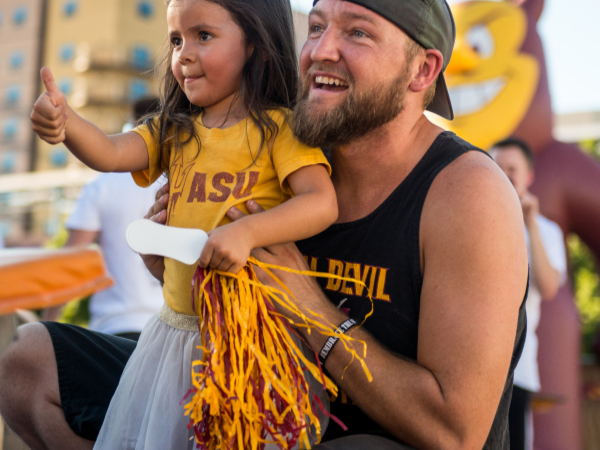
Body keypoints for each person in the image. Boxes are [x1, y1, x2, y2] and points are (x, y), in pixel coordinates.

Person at [0, 0, 528, 449]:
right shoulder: (277, 146)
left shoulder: (467, 193)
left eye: (357, 33)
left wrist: (313, 312)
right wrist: (180, 265)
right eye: (317, 26)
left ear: (422, 71)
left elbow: (455, 433)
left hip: (359, 434)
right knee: (30, 364)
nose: (321, 49)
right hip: (244, 393)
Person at [20, 0, 337, 448]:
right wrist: (66, 123)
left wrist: (247, 232)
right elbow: (110, 152)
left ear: (256, 47)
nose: (183, 54)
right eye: (175, 40)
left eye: (202, 36)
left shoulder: (280, 129)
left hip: (249, 341)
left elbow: (321, 202)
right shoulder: (175, 129)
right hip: (174, 334)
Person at [490, 138, 566, 450]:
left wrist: (529, 223)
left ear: (528, 176)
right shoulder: (471, 217)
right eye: (496, 168)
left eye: (512, 169)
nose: (504, 176)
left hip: (518, 368)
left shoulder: (546, 231)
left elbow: (549, 287)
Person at [40, 172, 164, 341]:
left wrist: (45, 323)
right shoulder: (181, 180)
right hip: (171, 330)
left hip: (115, 325)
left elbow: (71, 263)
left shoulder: (102, 185)